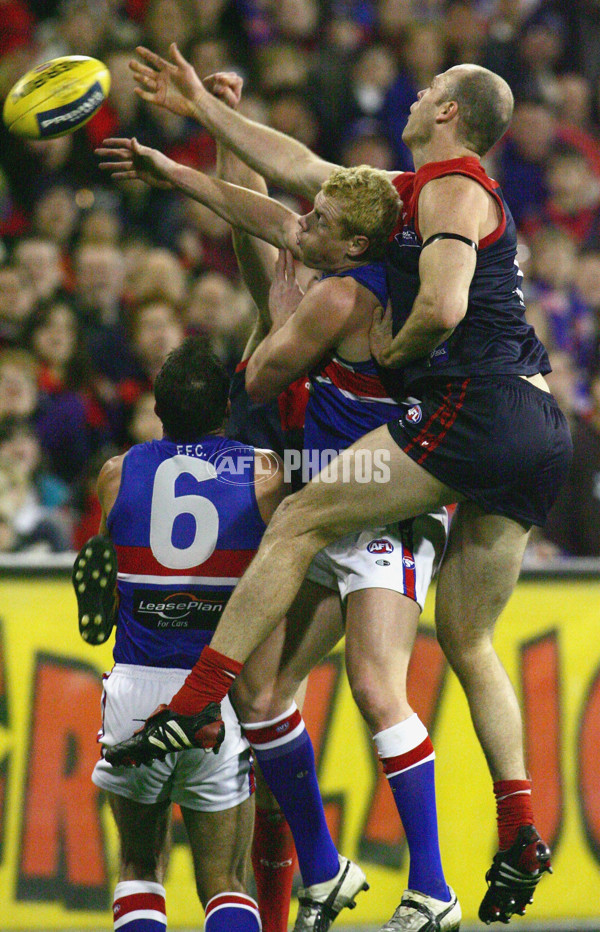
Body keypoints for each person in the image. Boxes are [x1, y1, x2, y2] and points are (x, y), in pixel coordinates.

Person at [107, 50, 573, 927]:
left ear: (448, 113)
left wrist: (402, 360)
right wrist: (203, 122)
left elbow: (434, 303)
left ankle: (197, 704)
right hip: (535, 431)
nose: (421, 87)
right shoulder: (402, 201)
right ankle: (518, 826)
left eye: (435, 85)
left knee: (308, 532)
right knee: (466, 642)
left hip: (465, 423)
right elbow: (292, 181)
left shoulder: (450, 191)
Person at [97, 129, 461, 930]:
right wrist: (189, 158)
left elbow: (263, 365)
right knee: (261, 700)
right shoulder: (326, 275)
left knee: (373, 685)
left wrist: (277, 327)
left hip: (384, 498)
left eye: (318, 221)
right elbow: (259, 217)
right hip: (321, 502)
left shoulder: (354, 296)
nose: (300, 227)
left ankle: (432, 888)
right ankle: (324, 873)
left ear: (353, 241)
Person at [72, 336, 287, 932]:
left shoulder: (116, 475)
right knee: (225, 881)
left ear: (159, 410)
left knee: (140, 863)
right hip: (217, 690)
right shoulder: (265, 475)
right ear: (226, 409)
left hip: (137, 688)